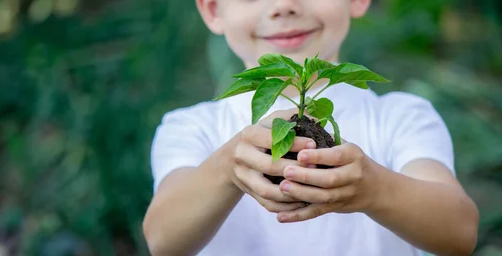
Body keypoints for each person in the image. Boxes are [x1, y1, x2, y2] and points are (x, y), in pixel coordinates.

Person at [142, 0, 479, 255]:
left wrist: (375, 189)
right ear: (213, 9)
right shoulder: (191, 128)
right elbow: (162, 240)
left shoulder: (401, 116)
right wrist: (225, 170)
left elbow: (459, 232)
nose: (284, 6)